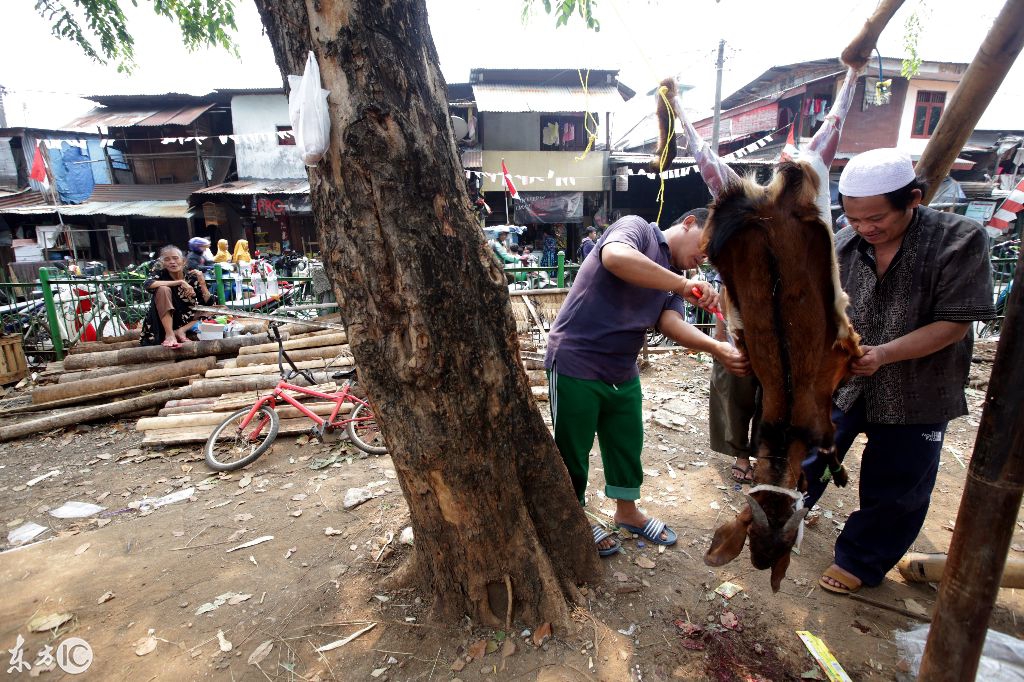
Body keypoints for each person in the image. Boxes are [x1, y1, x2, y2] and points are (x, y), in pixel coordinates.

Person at [803, 148, 995, 595]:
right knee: (808, 455)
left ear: (912, 198)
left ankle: (862, 557)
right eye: (854, 218)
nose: (866, 229)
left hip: (919, 388)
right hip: (844, 382)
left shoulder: (959, 239)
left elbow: (955, 322)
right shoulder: (844, 245)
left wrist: (884, 354)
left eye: (876, 219)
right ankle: (783, 519)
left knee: (898, 481)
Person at [545, 209, 750, 556]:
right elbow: (614, 257)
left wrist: (715, 346)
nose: (707, 256)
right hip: (576, 360)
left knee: (627, 443)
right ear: (688, 223)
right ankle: (574, 516)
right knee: (572, 450)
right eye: (707, 244)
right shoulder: (638, 229)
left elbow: (669, 322)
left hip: (622, 368)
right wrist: (683, 284)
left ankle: (627, 512)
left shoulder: (678, 276)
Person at [708, 285, 762, 484]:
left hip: (777, 337)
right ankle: (741, 453)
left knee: (772, 401)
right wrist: (720, 334)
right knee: (735, 396)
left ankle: (764, 454)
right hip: (739, 334)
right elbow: (726, 287)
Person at [139, 246, 217, 348]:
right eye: (167, 259)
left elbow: (208, 303)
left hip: (186, 320)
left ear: (183, 261)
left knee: (213, 310)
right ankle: (170, 334)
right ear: (163, 264)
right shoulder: (161, 274)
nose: (172, 262)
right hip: (164, 320)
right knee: (163, 289)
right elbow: (147, 284)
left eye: (175, 258)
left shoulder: (191, 276)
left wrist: (202, 284)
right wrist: (180, 282)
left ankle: (180, 331)